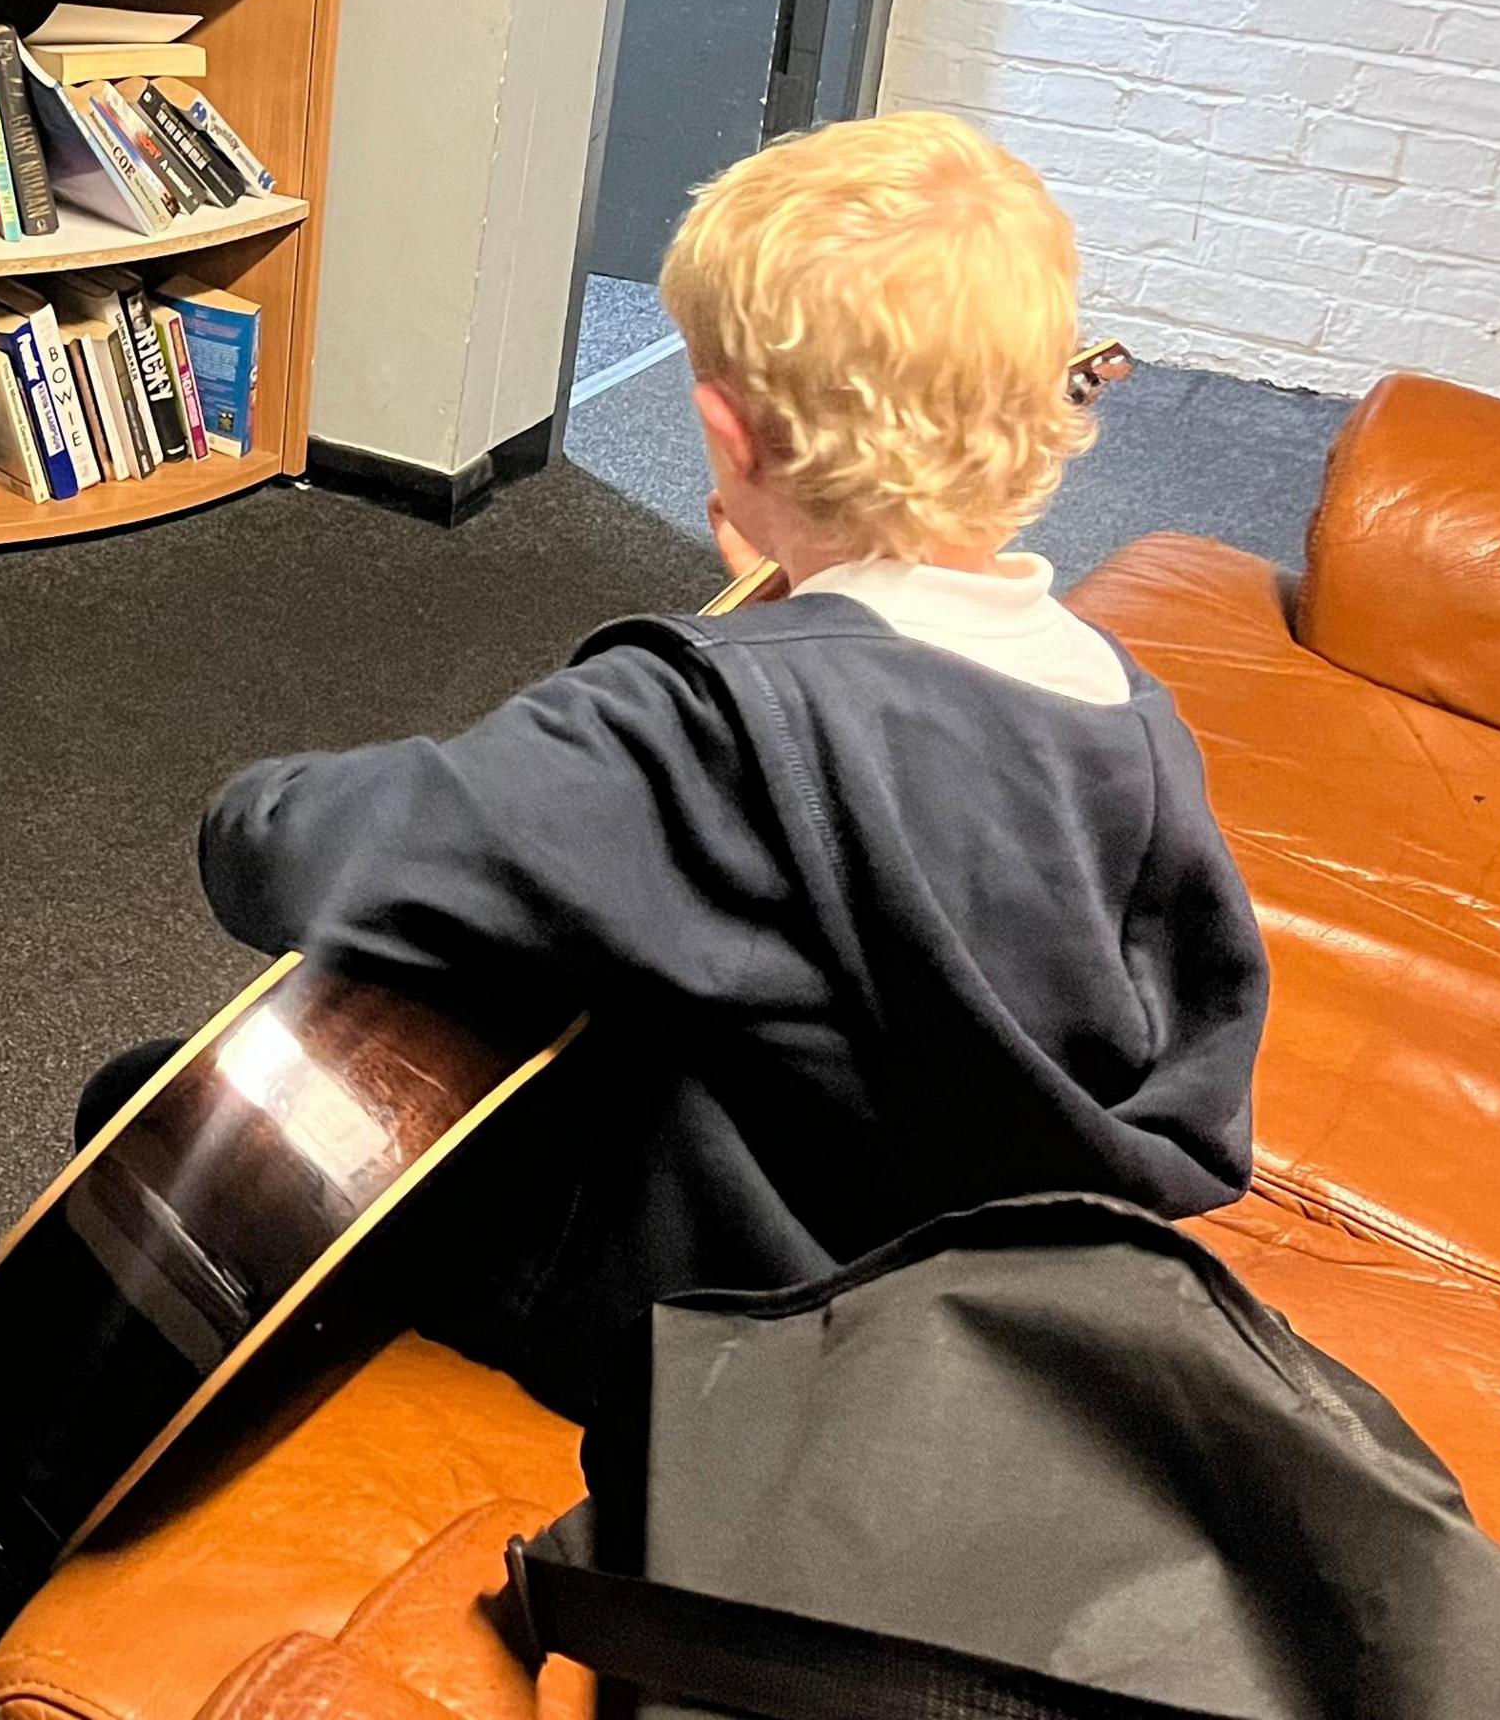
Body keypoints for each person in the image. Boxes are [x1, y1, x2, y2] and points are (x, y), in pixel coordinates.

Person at [101, 111, 1268, 1416]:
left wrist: (244, 808)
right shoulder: (1134, 718)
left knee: (165, 1112)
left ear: (730, 434)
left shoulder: (711, 724)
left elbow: (299, 856)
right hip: (956, 1307)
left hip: (726, 1321)